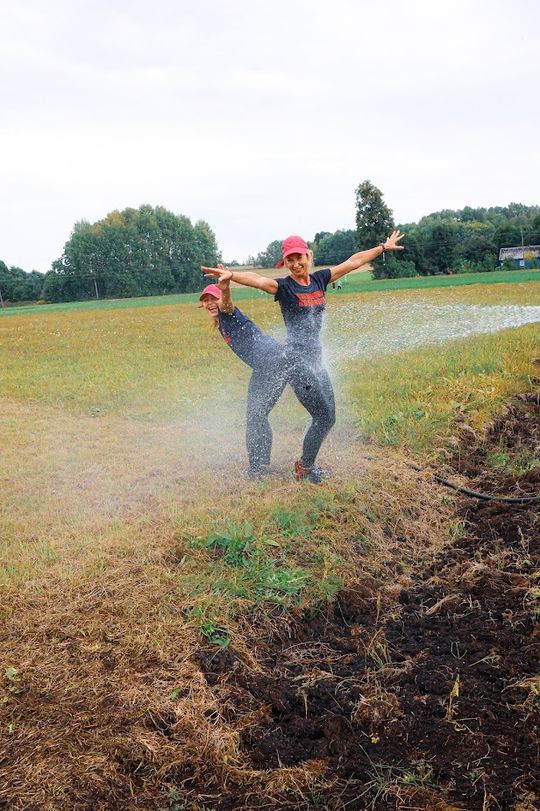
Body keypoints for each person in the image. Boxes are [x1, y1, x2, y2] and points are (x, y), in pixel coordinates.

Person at [203, 231, 404, 483]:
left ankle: (305, 467)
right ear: (285, 263)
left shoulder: (320, 280)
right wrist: (232, 276)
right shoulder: (284, 287)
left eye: (299, 258)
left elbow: (352, 262)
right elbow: (258, 279)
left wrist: (382, 247)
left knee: (328, 417)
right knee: (321, 416)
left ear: (308, 255)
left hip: (316, 360)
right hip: (296, 361)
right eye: (290, 261)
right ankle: (304, 469)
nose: (296, 264)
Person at [198, 266, 286, 479]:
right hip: (265, 367)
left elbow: (226, 303)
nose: (210, 303)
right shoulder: (220, 322)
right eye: (205, 299)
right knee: (256, 415)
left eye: (213, 298)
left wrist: (225, 287)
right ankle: (260, 464)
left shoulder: (228, 313)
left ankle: (258, 468)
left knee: (256, 415)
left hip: (274, 363)